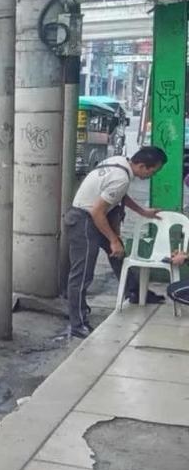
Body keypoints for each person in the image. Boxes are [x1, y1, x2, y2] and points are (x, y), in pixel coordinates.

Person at [63, 145, 166, 339]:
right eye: (153, 171)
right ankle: (77, 323)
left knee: (120, 256)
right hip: (84, 220)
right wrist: (113, 239)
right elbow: (97, 211)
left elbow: (119, 195)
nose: (152, 175)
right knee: (82, 274)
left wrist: (142, 211)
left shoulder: (120, 163)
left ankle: (134, 292)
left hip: (93, 217)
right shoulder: (121, 177)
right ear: (143, 166)